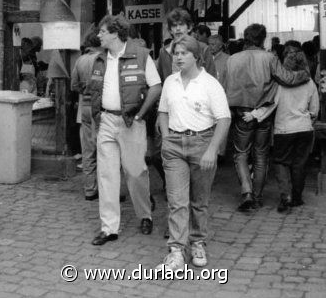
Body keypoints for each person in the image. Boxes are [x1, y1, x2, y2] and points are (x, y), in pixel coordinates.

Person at [157, 35, 231, 270]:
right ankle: (176, 250)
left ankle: (198, 242)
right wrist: (166, 137)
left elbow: (224, 119)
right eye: (176, 53)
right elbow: (162, 111)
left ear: (196, 56)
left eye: (183, 53)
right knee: (177, 201)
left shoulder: (210, 83)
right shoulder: (171, 81)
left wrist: (212, 150)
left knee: (199, 201)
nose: (178, 57)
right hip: (175, 146)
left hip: (202, 143)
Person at [88, 14, 161, 246]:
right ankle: (109, 227)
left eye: (102, 31)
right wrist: (96, 121)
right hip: (106, 121)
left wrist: (140, 114)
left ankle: (145, 214)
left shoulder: (141, 55)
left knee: (135, 171)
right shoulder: (99, 59)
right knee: (107, 174)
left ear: (115, 33)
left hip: (131, 121)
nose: (98, 35)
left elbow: (156, 86)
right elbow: (94, 93)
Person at [222, 24, 310, 211]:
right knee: (261, 154)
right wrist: (305, 73)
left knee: (240, 154)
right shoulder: (270, 58)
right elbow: (287, 79)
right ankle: (258, 196)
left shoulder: (232, 59)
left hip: (240, 112)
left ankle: (246, 192)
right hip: (264, 113)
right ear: (263, 39)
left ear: (245, 38)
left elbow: (223, 87)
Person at [272, 49, 319, 212]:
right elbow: (314, 110)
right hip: (305, 128)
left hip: (283, 129)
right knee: (299, 164)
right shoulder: (310, 82)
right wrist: (307, 118)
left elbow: (272, 104)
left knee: (281, 162)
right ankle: (297, 197)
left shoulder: (278, 83)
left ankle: (286, 196)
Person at [71, 30, 102, 200]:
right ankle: (107, 189)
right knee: (105, 148)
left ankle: (90, 189)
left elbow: (74, 85)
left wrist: (84, 90)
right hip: (100, 106)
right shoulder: (102, 60)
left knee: (88, 149)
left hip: (85, 105)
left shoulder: (80, 60)